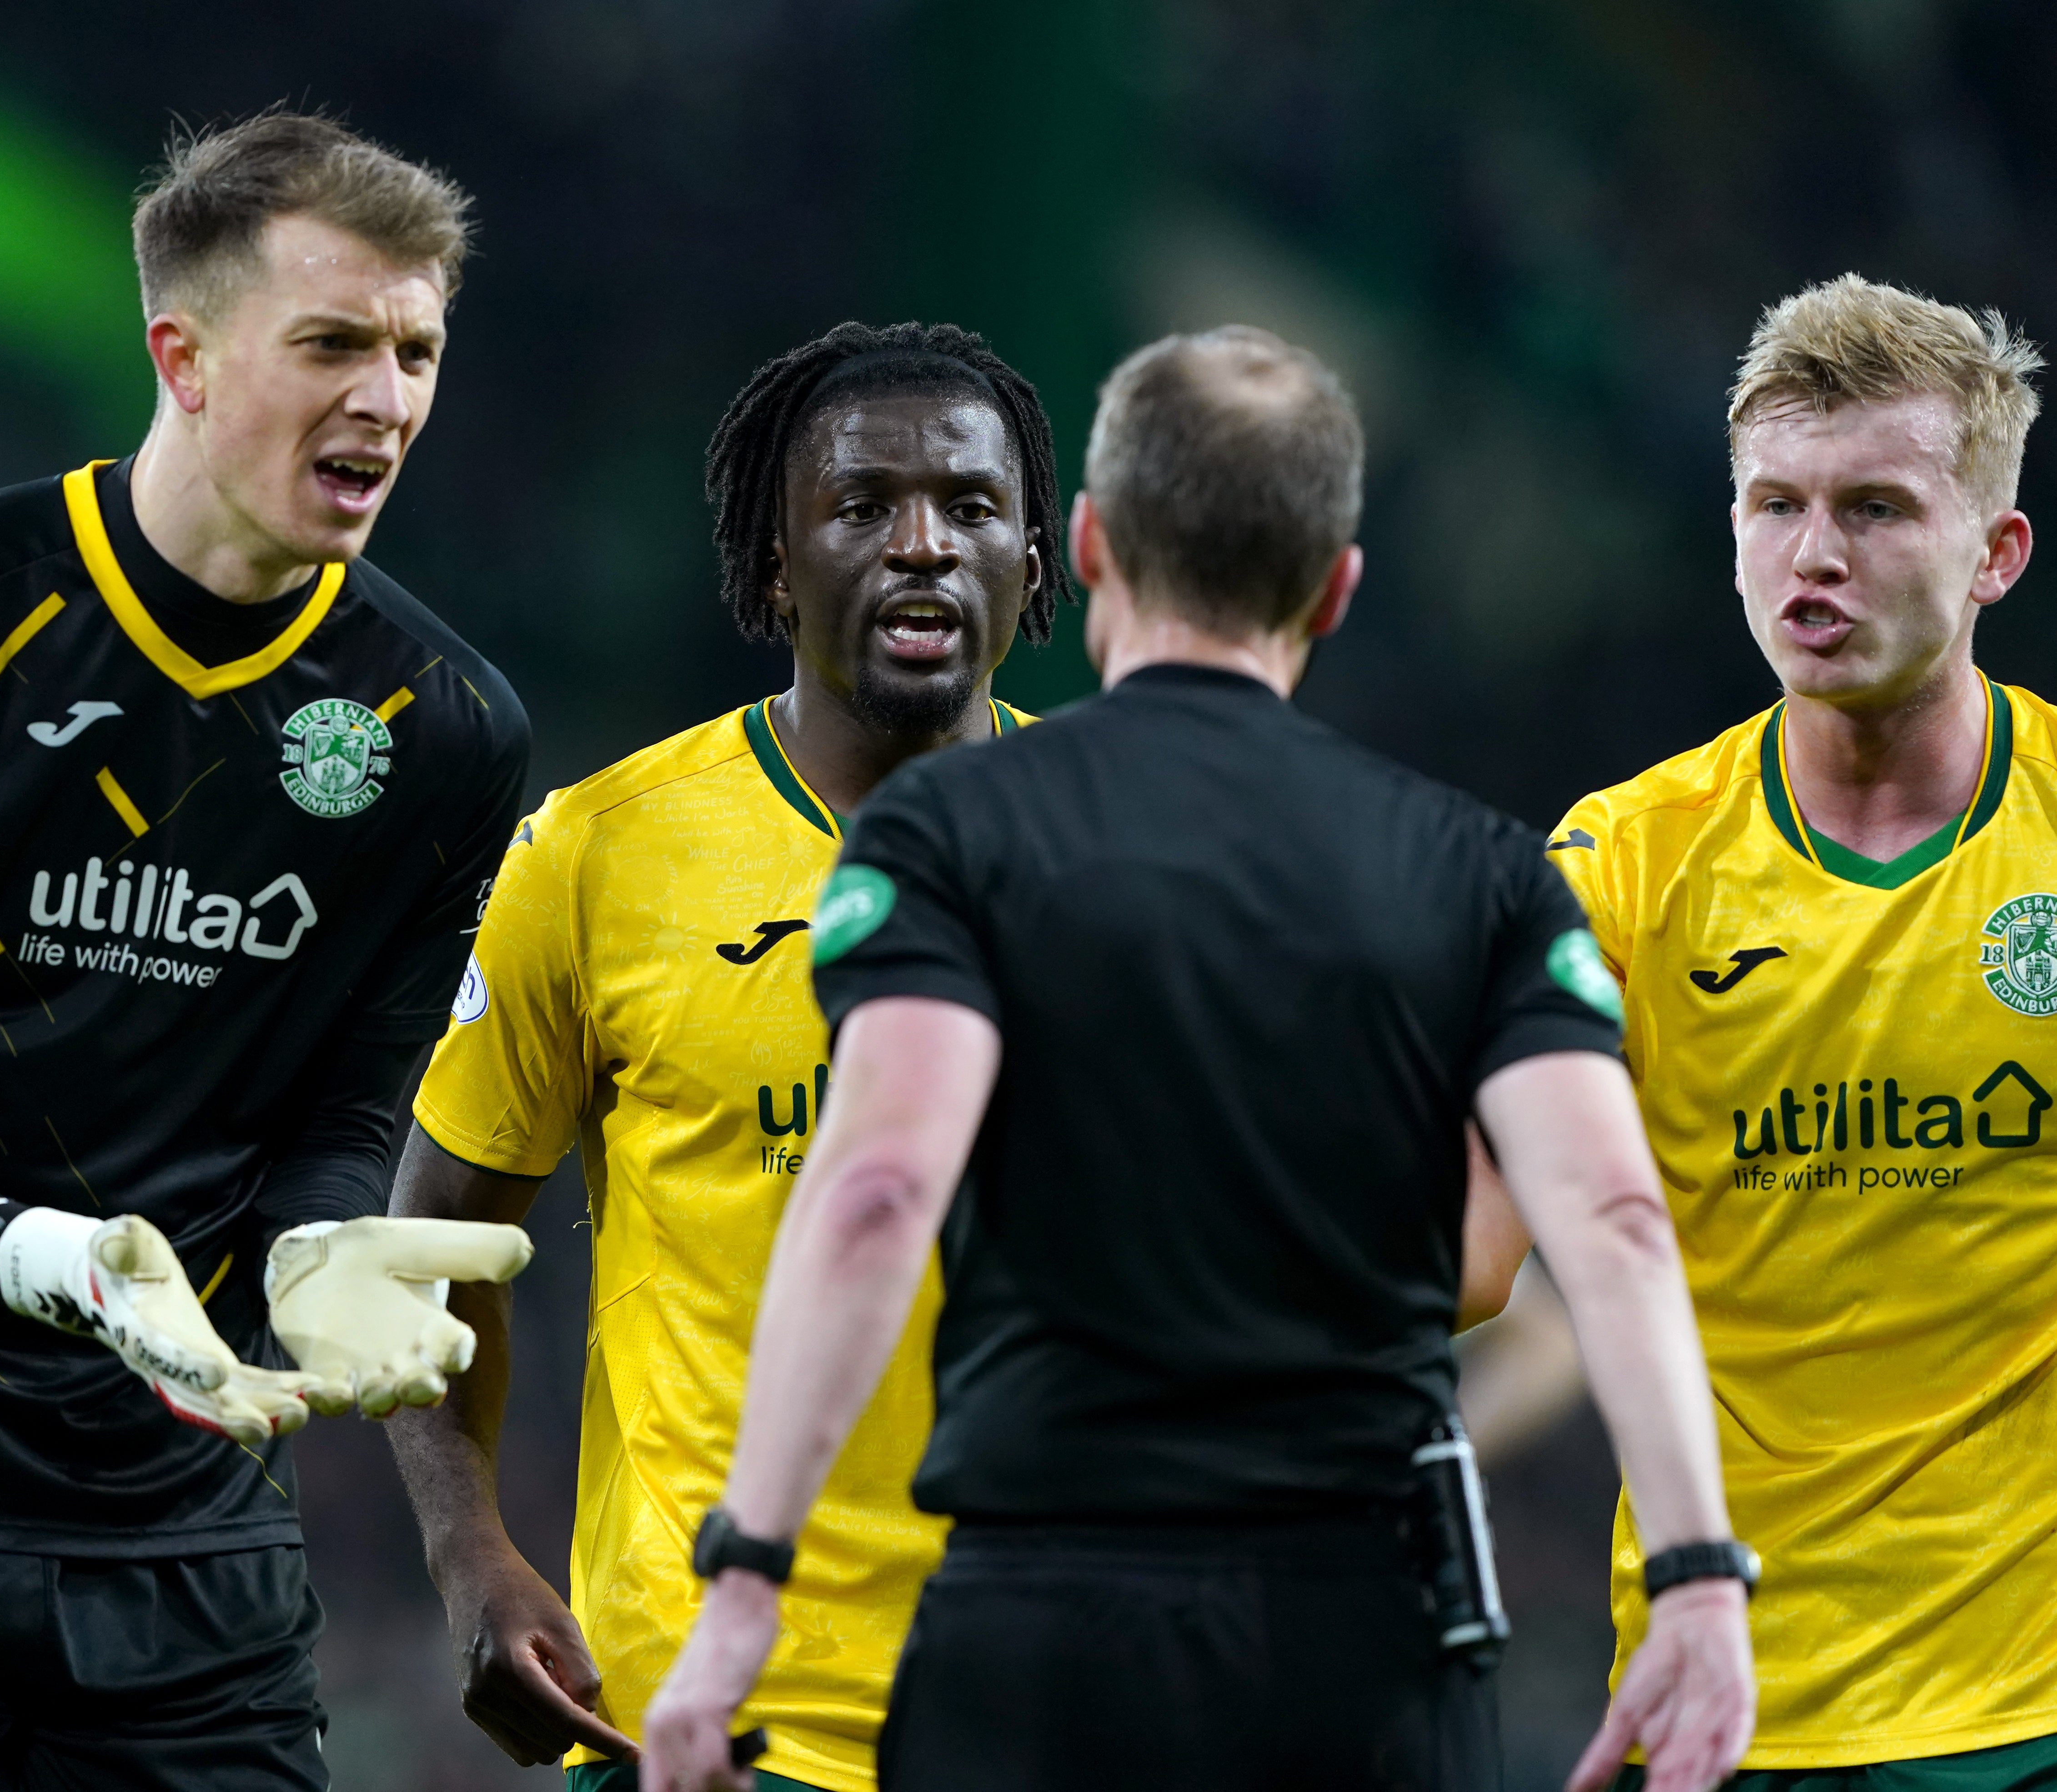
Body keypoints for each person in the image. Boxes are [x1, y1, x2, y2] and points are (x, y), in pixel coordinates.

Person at [642, 326, 1759, 1792]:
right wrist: (1693, 1579)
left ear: (1091, 546)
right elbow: (1608, 1223)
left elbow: (872, 1192)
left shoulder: (947, 836)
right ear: (1336, 585)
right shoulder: (1479, 872)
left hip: (1042, 1627)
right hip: (1364, 1638)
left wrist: (742, 1588)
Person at [0, 110, 534, 1792]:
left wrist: (313, 1258)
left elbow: (336, 1124)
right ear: (186, 354)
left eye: (418, 350)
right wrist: (49, 1258)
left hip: (184, 1544)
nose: (388, 396)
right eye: (335, 344)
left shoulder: (445, 733)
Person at [385, 321, 1071, 1792]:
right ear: (773, 569)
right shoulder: (599, 851)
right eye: (860, 506)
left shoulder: (1141, 853)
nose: (921, 547)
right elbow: (433, 1241)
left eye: (968, 508)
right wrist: (469, 1554)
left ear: (1036, 561)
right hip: (691, 1716)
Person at [1534, 275, 2057, 1789]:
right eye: (1773, 505)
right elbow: (1469, 1252)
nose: (1812, 558)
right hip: (1723, 1710)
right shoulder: (1618, 865)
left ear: (1994, 552)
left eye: (1878, 509)